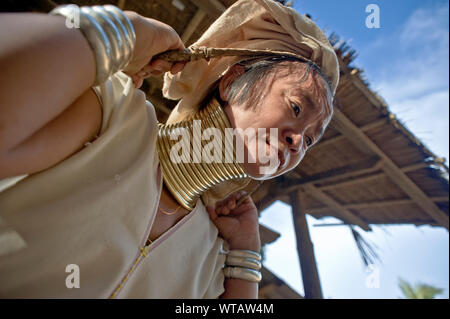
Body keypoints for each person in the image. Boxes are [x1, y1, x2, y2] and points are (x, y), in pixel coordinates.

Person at [0, 0, 339, 298]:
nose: (298, 142)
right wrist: (125, 31)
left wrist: (246, 256)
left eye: (310, 139)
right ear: (232, 81)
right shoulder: (115, 121)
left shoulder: (211, 255)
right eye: (296, 107)